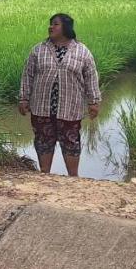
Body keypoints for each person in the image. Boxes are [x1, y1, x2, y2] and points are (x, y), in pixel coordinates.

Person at [18, 13, 101, 177]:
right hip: (42, 107)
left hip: (69, 108)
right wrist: (23, 98)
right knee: (43, 140)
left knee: (71, 142)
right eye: (50, 24)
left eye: (55, 24)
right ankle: (45, 175)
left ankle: (73, 178)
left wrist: (94, 101)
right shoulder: (38, 50)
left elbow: (91, 76)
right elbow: (27, 75)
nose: (51, 27)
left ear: (66, 27)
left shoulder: (82, 51)